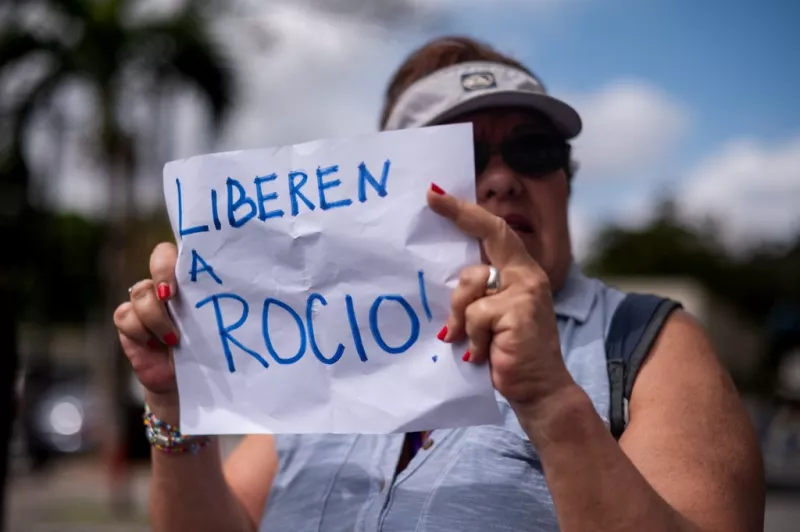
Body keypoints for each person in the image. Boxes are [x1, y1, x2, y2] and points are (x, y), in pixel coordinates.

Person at [113, 36, 765, 531]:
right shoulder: (318, 349)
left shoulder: (647, 341)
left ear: (568, 178)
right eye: (460, 152)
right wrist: (176, 406)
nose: (504, 177)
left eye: (535, 151)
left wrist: (549, 403)